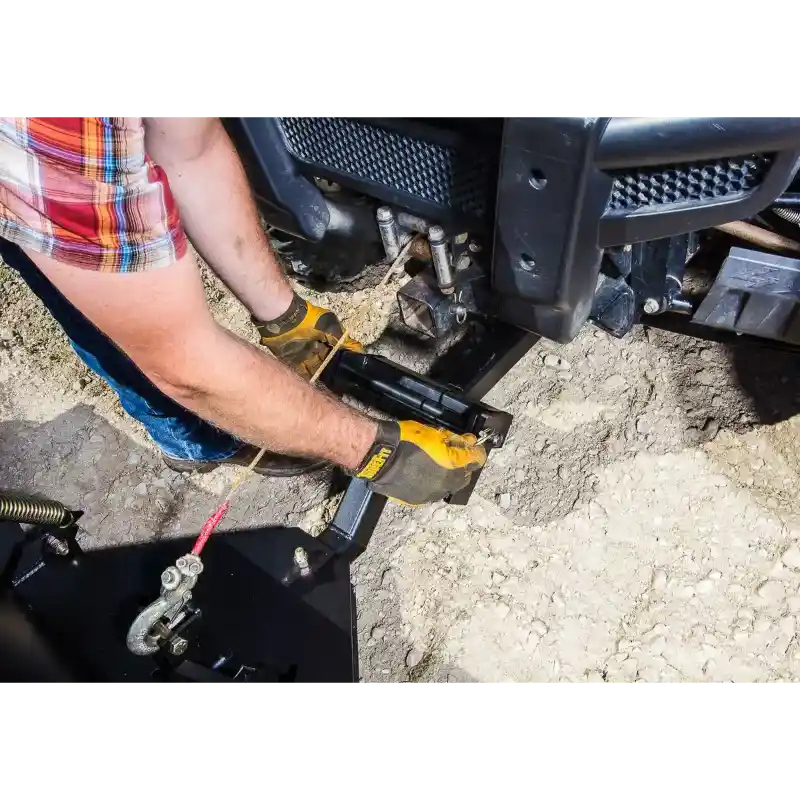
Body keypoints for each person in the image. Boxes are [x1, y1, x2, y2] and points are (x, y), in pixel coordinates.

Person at [0, 113, 485, 505]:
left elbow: (192, 148)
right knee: (106, 302)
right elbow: (185, 365)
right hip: (31, 159)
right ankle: (193, 440)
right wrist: (375, 452)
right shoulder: (55, 139)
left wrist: (284, 318)